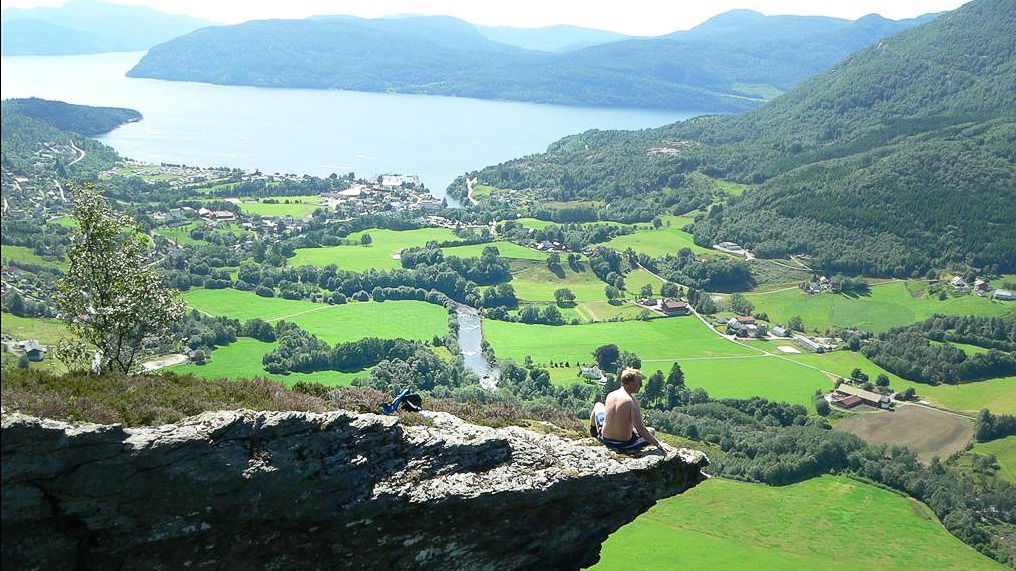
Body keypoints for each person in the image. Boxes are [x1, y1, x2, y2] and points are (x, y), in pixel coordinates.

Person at [590, 367, 671, 453]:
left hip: (605, 439)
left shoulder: (610, 395)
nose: (641, 386)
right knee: (651, 431)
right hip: (624, 444)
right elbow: (640, 428)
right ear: (631, 383)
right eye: (639, 383)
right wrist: (658, 444)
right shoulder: (631, 401)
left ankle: (594, 435)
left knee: (598, 405)